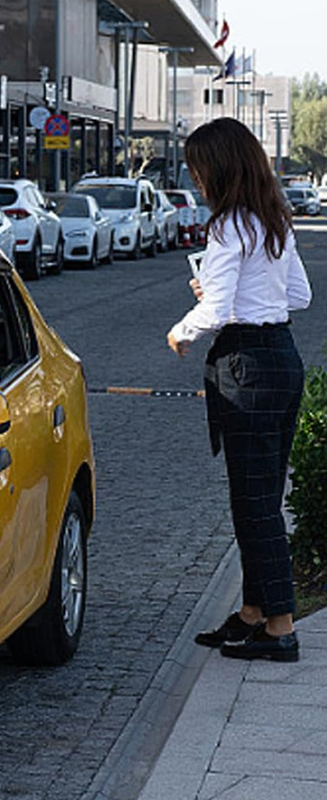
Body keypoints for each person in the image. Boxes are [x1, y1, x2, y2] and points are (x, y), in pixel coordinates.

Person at [166, 117, 312, 662]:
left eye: (198, 169)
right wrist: (226, 293)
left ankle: (280, 627)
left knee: (254, 507)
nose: (196, 179)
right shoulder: (273, 220)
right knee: (263, 498)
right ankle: (254, 613)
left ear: (220, 168)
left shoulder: (228, 227)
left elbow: (218, 311)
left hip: (246, 365)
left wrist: (182, 330)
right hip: (282, 359)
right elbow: (299, 296)